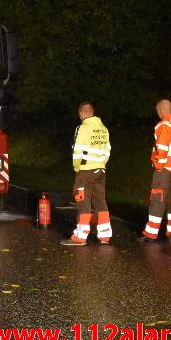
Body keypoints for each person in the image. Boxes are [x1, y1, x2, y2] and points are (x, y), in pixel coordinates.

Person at [61, 102, 112, 246]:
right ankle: (105, 235)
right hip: (100, 170)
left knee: (82, 200)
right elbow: (108, 150)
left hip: (86, 170)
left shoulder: (83, 128)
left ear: (82, 113)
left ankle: (81, 236)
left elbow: (78, 150)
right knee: (100, 201)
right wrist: (101, 163)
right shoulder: (103, 128)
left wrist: (77, 167)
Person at [139, 100, 171, 242]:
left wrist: (158, 165)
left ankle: (150, 234)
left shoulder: (164, 125)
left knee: (157, 200)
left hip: (165, 170)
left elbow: (162, 149)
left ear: (161, 110)